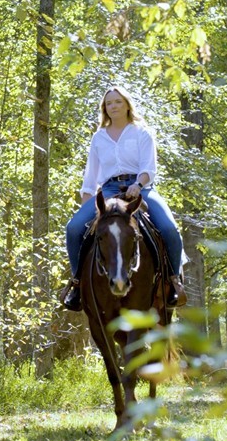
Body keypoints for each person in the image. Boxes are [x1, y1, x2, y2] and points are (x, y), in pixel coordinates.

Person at [62, 85, 186, 311]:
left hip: (141, 188)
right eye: (109, 103)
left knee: (169, 229)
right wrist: (86, 204)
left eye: (117, 102)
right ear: (104, 109)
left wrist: (138, 185)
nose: (113, 106)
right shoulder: (99, 138)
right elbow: (90, 176)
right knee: (73, 228)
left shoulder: (141, 132)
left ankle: (173, 281)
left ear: (127, 104)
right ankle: (77, 285)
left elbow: (150, 168)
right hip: (108, 189)